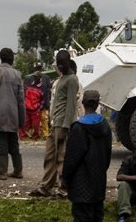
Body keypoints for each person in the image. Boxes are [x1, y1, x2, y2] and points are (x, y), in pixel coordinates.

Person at [32, 50, 80, 197]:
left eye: (62, 63)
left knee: (62, 158)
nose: (60, 66)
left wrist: (65, 127)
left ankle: (63, 189)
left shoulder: (72, 79)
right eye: (58, 64)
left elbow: (71, 105)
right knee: (50, 157)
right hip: (54, 124)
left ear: (68, 62)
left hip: (63, 125)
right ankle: (46, 187)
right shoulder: (62, 78)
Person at [62, 90, 113, 222]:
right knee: (97, 215)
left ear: (83, 103)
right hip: (99, 180)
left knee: (82, 216)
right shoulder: (105, 126)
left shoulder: (79, 127)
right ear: (97, 105)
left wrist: (65, 179)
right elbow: (107, 154)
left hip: (81, 182)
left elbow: (71, 158)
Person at [0, 48, 26, 180]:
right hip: (14, 113)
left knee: (1, 143)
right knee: (14, 143)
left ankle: (1, 172)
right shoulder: (17, 74)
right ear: (12, 59)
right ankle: (18, 170)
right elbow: (21, 100)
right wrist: (22, 119)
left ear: (1, 58)